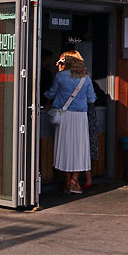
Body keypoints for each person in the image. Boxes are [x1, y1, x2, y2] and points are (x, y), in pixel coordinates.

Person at [44, 50, 96, 194]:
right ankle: (74, 180)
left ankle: (68, 181)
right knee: (80, 149)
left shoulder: (60, 76)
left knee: (66, 148)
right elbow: (92, 99)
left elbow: (51, 93)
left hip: (64, 116)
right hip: (80, 117)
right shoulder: (86, 78)